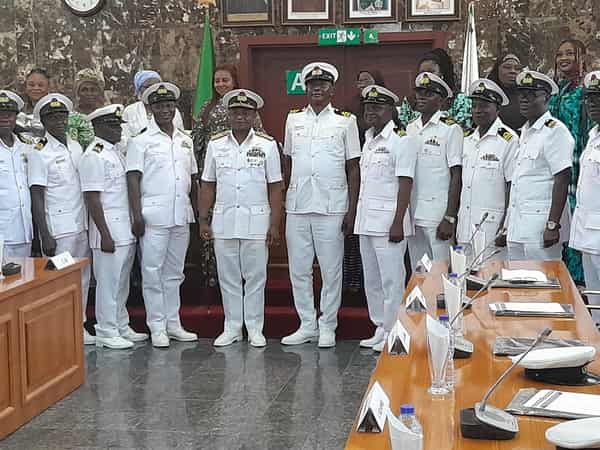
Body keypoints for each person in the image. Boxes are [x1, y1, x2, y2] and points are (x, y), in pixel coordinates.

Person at [281, 62, 361, 348]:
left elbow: (353, 167)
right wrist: (285, 199)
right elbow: (288, 161)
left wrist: (352, 209)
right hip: (298, 205)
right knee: (299, 270)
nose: (317, 89)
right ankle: (306, 325)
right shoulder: (293, 120)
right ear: (306, 88)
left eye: (323, 85)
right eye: (312, 85)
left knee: (331, 270)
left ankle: (328, 325)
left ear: (332, 89)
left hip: (332, 206)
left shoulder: (345, 121)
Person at [198, 89, 283, 348]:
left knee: (256, 277)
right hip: (224, 220)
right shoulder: (216, 144)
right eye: (236, 112)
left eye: (246, 113)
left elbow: (275, 186)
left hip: (256, 221)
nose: (241, 117)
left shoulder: (267, 145)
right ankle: (232, 327)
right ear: (228, 115)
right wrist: (203, 219)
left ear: (254, 115)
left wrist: (275, 224)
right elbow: (207, 184)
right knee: (228, 277)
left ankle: (255, 328)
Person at [126, 82, 199, 348]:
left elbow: (192, 178)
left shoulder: (184, 140)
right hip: (153, 216)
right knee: (152, 272)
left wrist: (197, 213)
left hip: (180, 214)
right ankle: (157, 326)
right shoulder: (141, 141)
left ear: (175, 107)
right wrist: (136, 215)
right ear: (151, 109)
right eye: (159, 106)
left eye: (169, 105)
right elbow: (133, 179)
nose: (165, 110)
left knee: (174, 273)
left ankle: (173, 323)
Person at [79, 104, 149, 349]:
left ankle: (120, 324)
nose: (118, 130)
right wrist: (104, 234)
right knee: (108, 283)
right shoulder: (94, 155)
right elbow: (92, 198)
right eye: (112, 125)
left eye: (119, 125)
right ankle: (106, 330)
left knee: (121, 282)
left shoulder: (115, 152)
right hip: (107, 229)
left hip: (124, 228)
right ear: (97, 127)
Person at [355, 85, 417, 352]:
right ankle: (380, 326)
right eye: (368, 107)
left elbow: (405, 182)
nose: (371, 112)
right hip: (366, 220)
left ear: (391, 110)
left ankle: (394, 330)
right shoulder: (368, 138)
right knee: (372, 279)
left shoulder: (401, 139)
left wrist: (398, 221)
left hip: (389, 222)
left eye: (377, 107)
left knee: (392, 280)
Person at [28, 93, 93, 344]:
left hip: (80, 223)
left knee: (81, 277)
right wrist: (44, 234)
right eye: (52, 117)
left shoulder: (75, 146)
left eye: (62, 116)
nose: (58, 121)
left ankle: (79, 326)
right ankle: (59, 328)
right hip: (58, 228)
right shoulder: (39, 151)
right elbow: (37, 194)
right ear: (43, 121)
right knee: (58, 279)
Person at [507, 71, 573, 261]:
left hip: (541, 225)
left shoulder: (555, 131)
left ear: (546, 98)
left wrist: (553, 224)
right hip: (517, 225)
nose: (524, 99)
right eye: (521, 94)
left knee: (545, 278)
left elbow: (562, 178)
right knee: (517, 277)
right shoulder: (525, 132)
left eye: (531, 95)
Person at [406, 72, 463, 268]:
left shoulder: (450, 129)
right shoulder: (410, 128)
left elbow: (456, 175)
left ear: (441, 100)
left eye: (428, 94)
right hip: (413, 212)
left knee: (442, 271)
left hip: (437, 213)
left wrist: (449, 216)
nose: (421, 97)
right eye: (419, 93)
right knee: (419, 271)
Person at [456, 79, 518, 258]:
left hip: (491, 228)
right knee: (463, 274)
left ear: (497, 108)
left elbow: (512, 185)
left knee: (491, 274)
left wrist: (506, 225)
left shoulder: (508, 140)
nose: (478, 110)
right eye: (474, 106)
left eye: (484, 106)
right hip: (465, 226)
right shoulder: (467, 140)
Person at [549, 39, 591, 285]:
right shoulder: (558, 90)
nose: (563, 58)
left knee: (577, 224)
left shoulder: (586, 91)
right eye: (559, 54)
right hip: (557, 164)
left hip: (579, 164)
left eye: (569, 53)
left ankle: (580, 284)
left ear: (582, 57)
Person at [343, 69, 385, 293]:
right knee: (355, 242)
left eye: (366, 79)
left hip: (380, 193)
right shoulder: (350, 111)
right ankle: (353, 286)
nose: (362, 83)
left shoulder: (391, 128)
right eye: (359, 79)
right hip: (356, 180)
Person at [570, 71, 600, 324]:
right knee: (596, 306)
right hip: (588, 234)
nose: (592, 104)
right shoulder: (593, 136)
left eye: (598, 98)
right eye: (589, 99)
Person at [398, 48, 472, 130]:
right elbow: (401, 128)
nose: (426, 75)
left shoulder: (460, 100)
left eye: (431, 71)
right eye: (422, 72)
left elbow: (462, 129)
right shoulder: (409, 100)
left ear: (442, 73)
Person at [0, 90, 34, 257]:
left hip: (24, 231)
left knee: (25, 273)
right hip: (2, 233)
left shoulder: (26, 146)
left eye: (9, 114)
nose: (5, 118)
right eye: (0, 114)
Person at [122, 70, 184, 141]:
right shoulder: (130, 111)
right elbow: (124, 138)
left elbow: (180, 136)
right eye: (148, 86)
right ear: (139, 88)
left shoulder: (172, 111)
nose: (152, 90)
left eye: (156, 86)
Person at [487, 53, 526, 132]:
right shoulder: (487, 95)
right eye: (507, 67)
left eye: (517, 68)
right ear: (497, 70)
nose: (513, 71)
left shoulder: (527, 96)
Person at [67, 68, 104, 149]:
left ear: (99, 92)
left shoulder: (105, 116)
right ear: (78, 93)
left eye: (93, 90)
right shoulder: (71, 117)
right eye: (84, 90)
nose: (89, 93)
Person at [17, 68, 49, 138]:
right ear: (26, 87)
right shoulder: (18, 109)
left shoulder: (56, 109)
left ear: (48, 87)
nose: (36, 88)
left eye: (40, 85)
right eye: (31, 85)